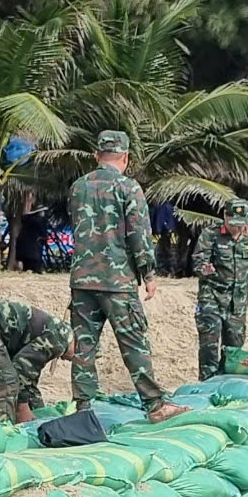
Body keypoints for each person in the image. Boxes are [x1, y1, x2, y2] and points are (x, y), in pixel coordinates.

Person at [65, 131, 183, 422]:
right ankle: (155, 404)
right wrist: (149, 274)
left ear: (96, 155)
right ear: (126, 158)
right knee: (133, 343)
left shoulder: (78, 187)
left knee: (84, 347)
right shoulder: (128, 188)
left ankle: (83, 408)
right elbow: (139, 234)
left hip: (82, 280)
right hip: (116, 282)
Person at [0, 300, 72, 423]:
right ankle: (2, 431)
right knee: (6, 381)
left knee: (10, 380)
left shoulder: (58, 333)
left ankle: (4, 423)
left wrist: (37, 413)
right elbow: (21, 369)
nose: (68, 360)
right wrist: (22, 408)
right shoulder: (59, 339)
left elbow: (28, 380)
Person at [191, 196, 248, 380]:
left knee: (234, 347)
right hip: (211, 296)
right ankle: (207, 383)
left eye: (240, 224)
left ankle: (228, 382)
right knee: (209, 343)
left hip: (238, 300)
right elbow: (198, 262)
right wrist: (204, 270)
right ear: (225, 215)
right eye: (233, 223)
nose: (236, 228)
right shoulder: (210, 234)